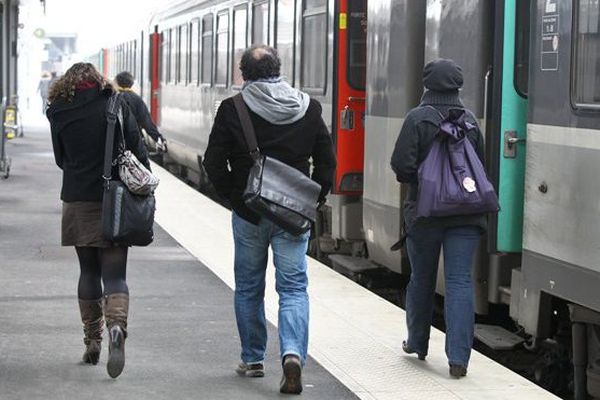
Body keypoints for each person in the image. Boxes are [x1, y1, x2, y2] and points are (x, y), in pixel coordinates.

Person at [203, 45, 336, 394]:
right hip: (293, 214)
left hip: (250, 212)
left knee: (249, 286)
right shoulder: (309, 108)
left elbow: (213, 162)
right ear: (280, 69)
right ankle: (292, 354)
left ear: (243, 74)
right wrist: (313, 199)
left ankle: (253, 358)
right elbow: (326, 162)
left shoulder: (233, 108)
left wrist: (235, 199)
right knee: (293, 288)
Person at [46, 62, 150, 379]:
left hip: (77, 198)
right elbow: (138, 150)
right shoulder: (116, 104)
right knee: (115, 275)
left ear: (67, 84)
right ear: (99, 81)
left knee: (88, 270)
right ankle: (117, 328)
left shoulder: (58, 109)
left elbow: (60, 159)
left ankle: (92, 340)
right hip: (115, 200)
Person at [390, 59, 486, 378]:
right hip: (466, 215)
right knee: (459, 280)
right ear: (458, 86)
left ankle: (418, 342)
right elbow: (480, 168)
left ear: (427, 84)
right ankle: (459, 360)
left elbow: (401, 165)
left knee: (422, 278)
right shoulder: (469, 120)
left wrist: (426, 181)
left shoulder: (418, 118)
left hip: (425, 213)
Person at [114, 71, 167, 152]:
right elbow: (147, 123)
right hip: (135, 140)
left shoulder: (112, 98)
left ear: (117, 83)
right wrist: (159, 139)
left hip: (116, 141)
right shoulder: (137, 99)